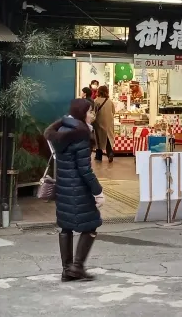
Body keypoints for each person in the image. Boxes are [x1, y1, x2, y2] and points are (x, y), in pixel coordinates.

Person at [44, 98, 106, 282]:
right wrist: (98, 191)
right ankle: (76, 267)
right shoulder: (80, 133)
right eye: (90, 112)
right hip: (78, 188)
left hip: (64, 186)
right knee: (92, 223)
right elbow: (84, 169)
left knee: (66, 226)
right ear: (81, 113)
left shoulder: (61, 131)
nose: (92, 115)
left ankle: (67, 270)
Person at [93, 85, 116, 163]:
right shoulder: (110, 101)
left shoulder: (96, 101)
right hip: (109, 122)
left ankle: (98, 156)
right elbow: (113, 111)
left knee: (99, 139)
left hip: (99, 122)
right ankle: (110, 153)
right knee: (108, 138)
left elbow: (94, 112)